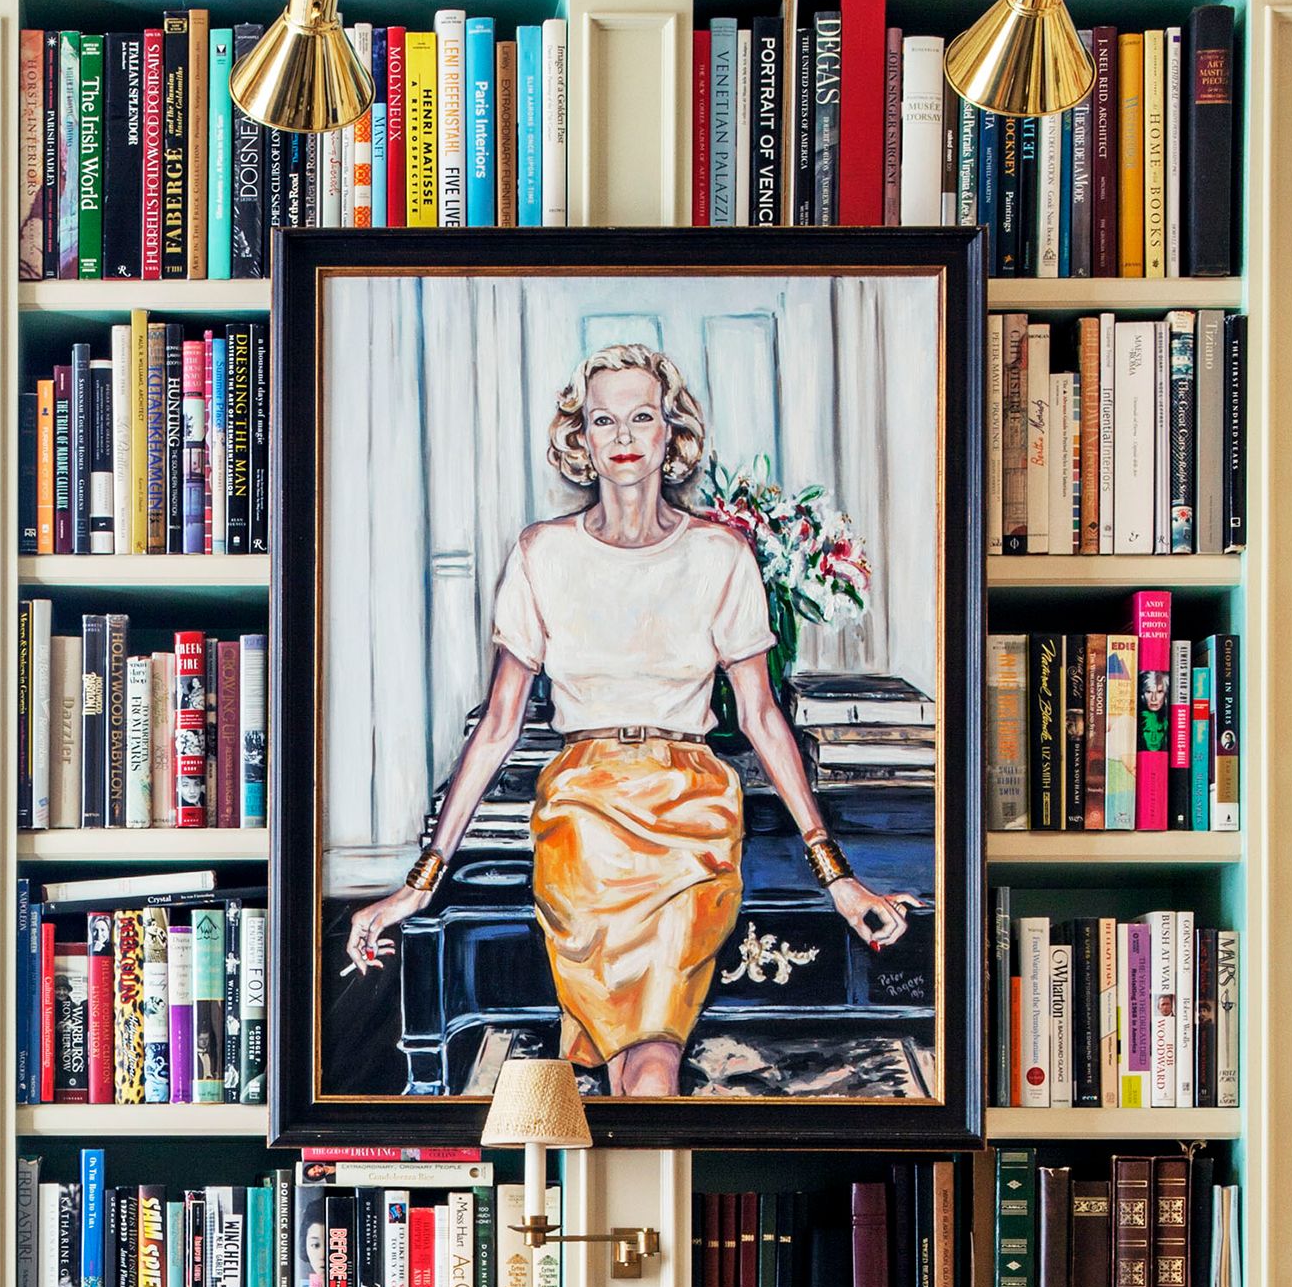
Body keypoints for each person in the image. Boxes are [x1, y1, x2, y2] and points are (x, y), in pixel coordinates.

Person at [346, 343, 912, 1100]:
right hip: (581, 819)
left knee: (650, 1062)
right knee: (633, 1067)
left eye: (641, 415)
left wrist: (836, 876)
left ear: (670, 432)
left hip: (693, 818)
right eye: (603, 418)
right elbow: (499, 726)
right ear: (578, 437)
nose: (622, 434)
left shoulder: (722, 555)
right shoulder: (542, 555)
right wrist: (419, 881)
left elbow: (763, 718)